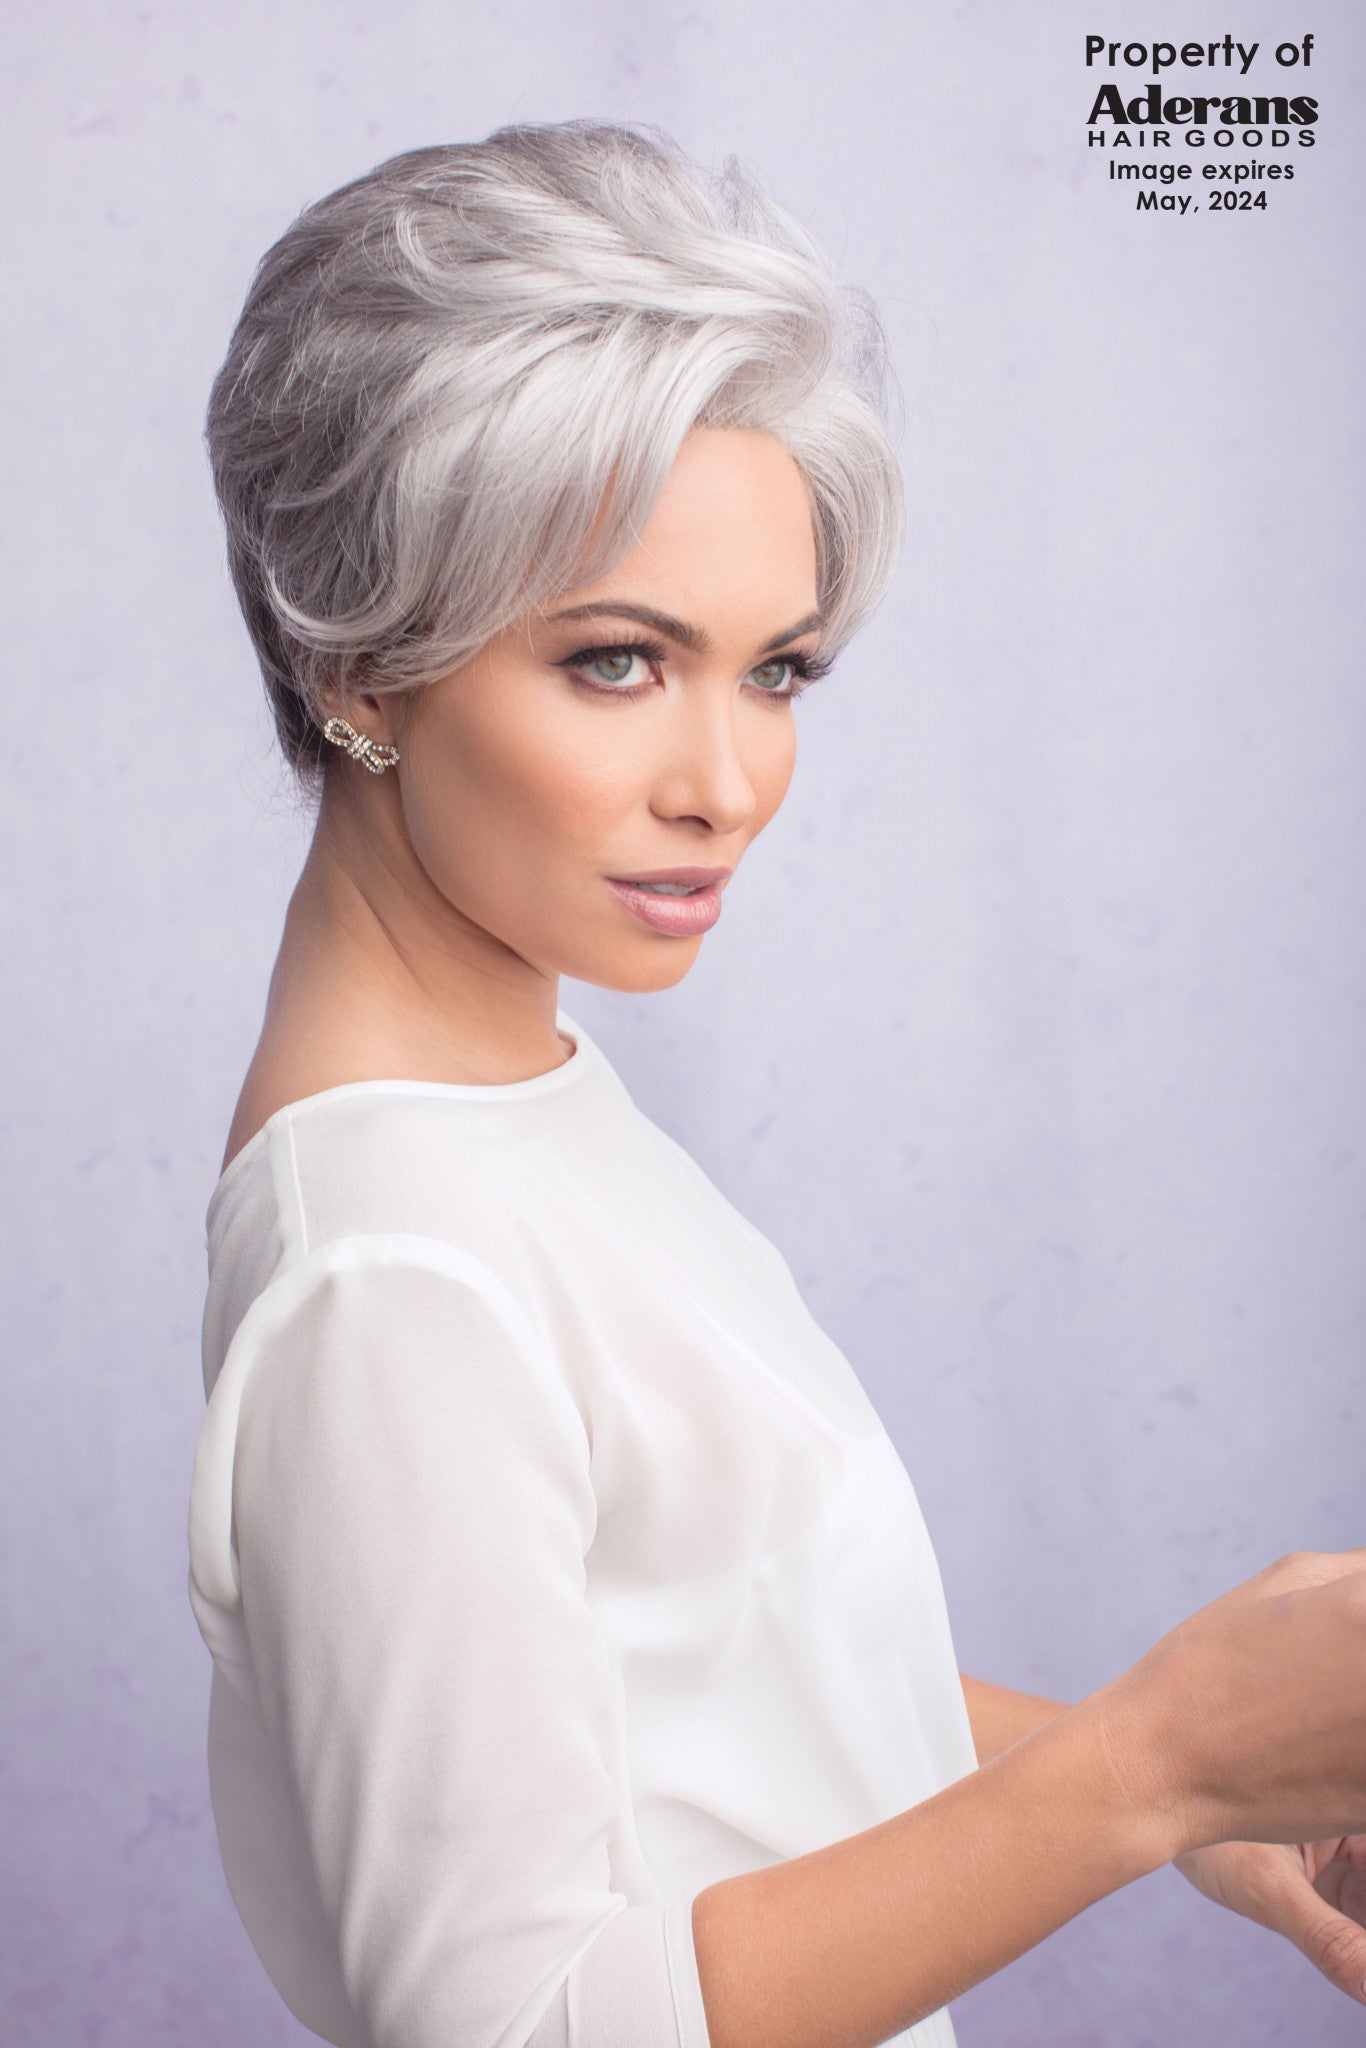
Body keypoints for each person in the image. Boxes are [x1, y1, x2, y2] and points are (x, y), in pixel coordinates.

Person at [186, 119, 1366, 2048]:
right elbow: (514, 2025)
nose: (727, 785)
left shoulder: (514, 1108)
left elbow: (718, 1674)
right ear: (361, 662)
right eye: (617, 662)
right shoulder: (396, 1268)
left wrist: (1212, 1801)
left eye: (778, 671)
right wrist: (1156, 1761)